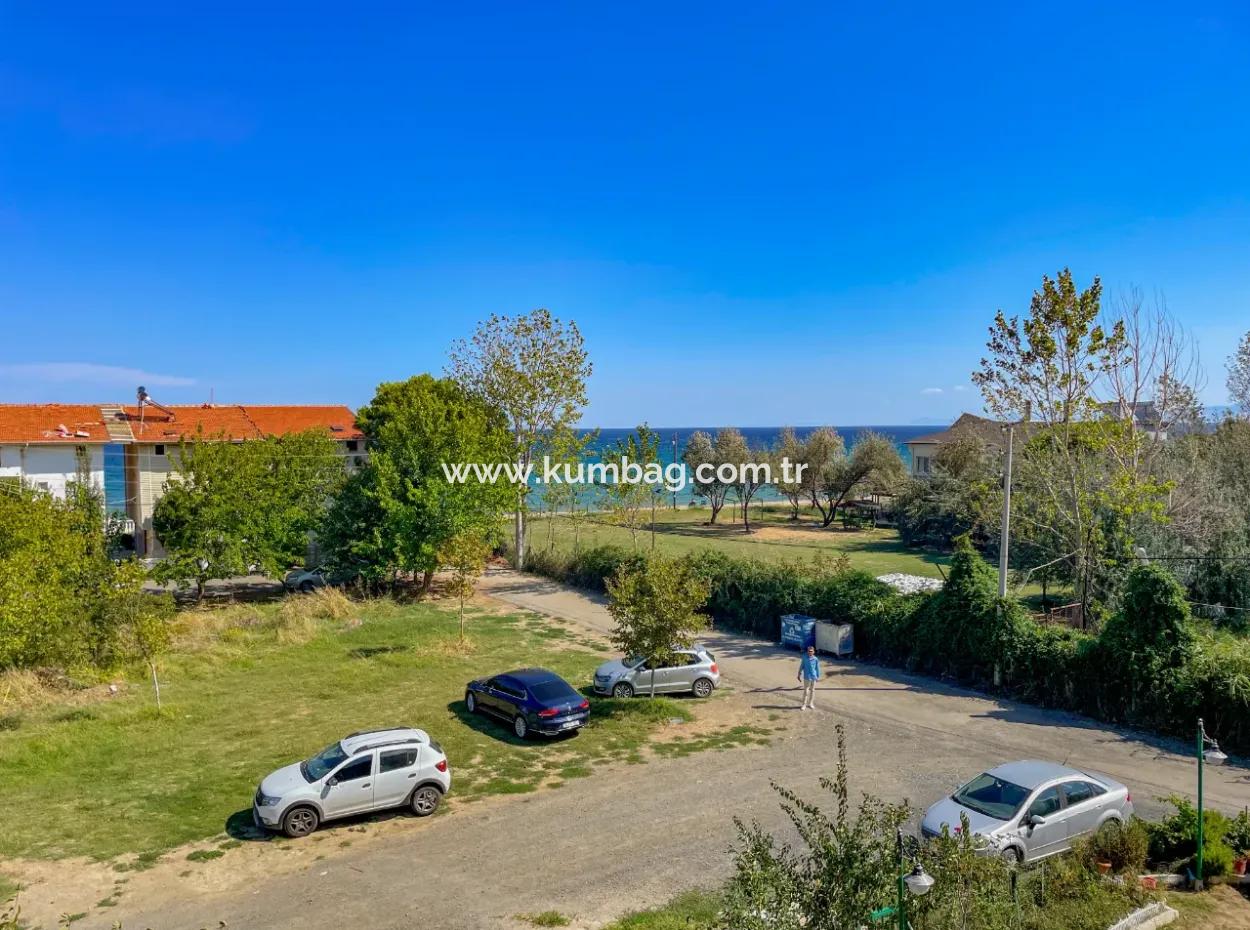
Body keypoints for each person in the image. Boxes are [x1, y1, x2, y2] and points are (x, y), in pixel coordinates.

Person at [797, 644, 820, 710]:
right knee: (806, 691)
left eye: (811, 651)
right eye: (809, 651)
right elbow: (801, 666)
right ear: (807, 651)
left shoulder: (815, 659)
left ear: (813, 652)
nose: (810, 652)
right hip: (807, 677)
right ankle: (804, 704)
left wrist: (818, 676)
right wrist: (799, 673)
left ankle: (811, 703)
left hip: (814, 677)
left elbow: (817, 668)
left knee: (812, 691)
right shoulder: (804, 657)